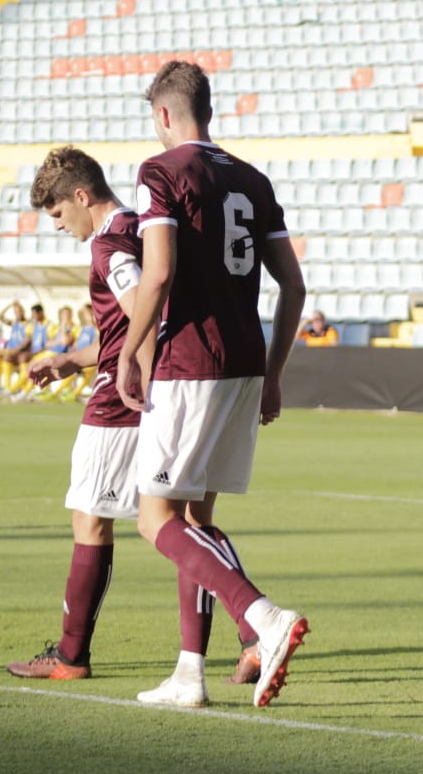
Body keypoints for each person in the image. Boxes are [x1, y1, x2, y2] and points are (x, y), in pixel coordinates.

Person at [117, 60, 309, 708]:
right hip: (245, 360)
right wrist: (275, 373)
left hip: (190, 359)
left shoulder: (160, 171)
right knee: (198, 517)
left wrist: (126, 351)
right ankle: (189, 672)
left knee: (154, 517)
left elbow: (159, 271)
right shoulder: (252, 179)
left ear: (165, 114)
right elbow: (295, 287)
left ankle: (263, 617)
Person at [7, 146, 144, 681]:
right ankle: (251, 631)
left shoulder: (110, 245)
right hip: (155, 388)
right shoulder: (144, 228)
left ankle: (69, 656)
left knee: (91, 519)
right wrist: (72, 359)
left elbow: (140, 316)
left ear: (82, 196)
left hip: (119, 399)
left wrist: (135, 378)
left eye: (60, 214)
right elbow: (126, 329)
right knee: (178, 524)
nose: (60, 225)